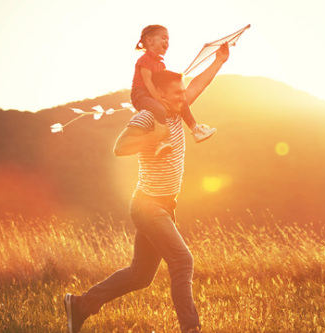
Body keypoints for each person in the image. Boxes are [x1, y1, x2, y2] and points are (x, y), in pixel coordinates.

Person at [64, 42, 230, 333]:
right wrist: (154, 137)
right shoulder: (147, 117)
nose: (183, 97)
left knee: (141, 275)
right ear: (159, 93)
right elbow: (120, 147)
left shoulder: (177, 111)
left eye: (183, 92)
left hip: (164, 206)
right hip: (148, 206)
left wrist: (219, 61)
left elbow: (198, 85)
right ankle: (191, 328)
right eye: (177, 93)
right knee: (183, 260)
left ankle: (81, 305)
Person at [131, 24, 217, 156]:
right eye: (164, 38)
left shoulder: (161, 63)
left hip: (155, 93)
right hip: (141, 95)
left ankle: (196, 130)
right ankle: (160, 142)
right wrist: (159, 99)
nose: (167, 42)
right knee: (159, 109)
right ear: (149, 41)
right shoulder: (145, 60)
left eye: (168, 39)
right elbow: (147, 82)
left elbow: (163, 83)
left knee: (181, 101)